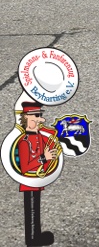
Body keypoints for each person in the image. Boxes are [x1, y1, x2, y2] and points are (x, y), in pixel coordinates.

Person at [16, 100, 59, 246]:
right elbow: (25, 168)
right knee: (32, 209)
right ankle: (32, 239)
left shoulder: (39, 137)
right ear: (26, 117)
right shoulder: (24, 142)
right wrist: (43, 158)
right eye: (36, 116)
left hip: (38, 179)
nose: (40, 119)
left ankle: (36, 236)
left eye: (40, 115)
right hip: (29, 181)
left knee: (36, 208)